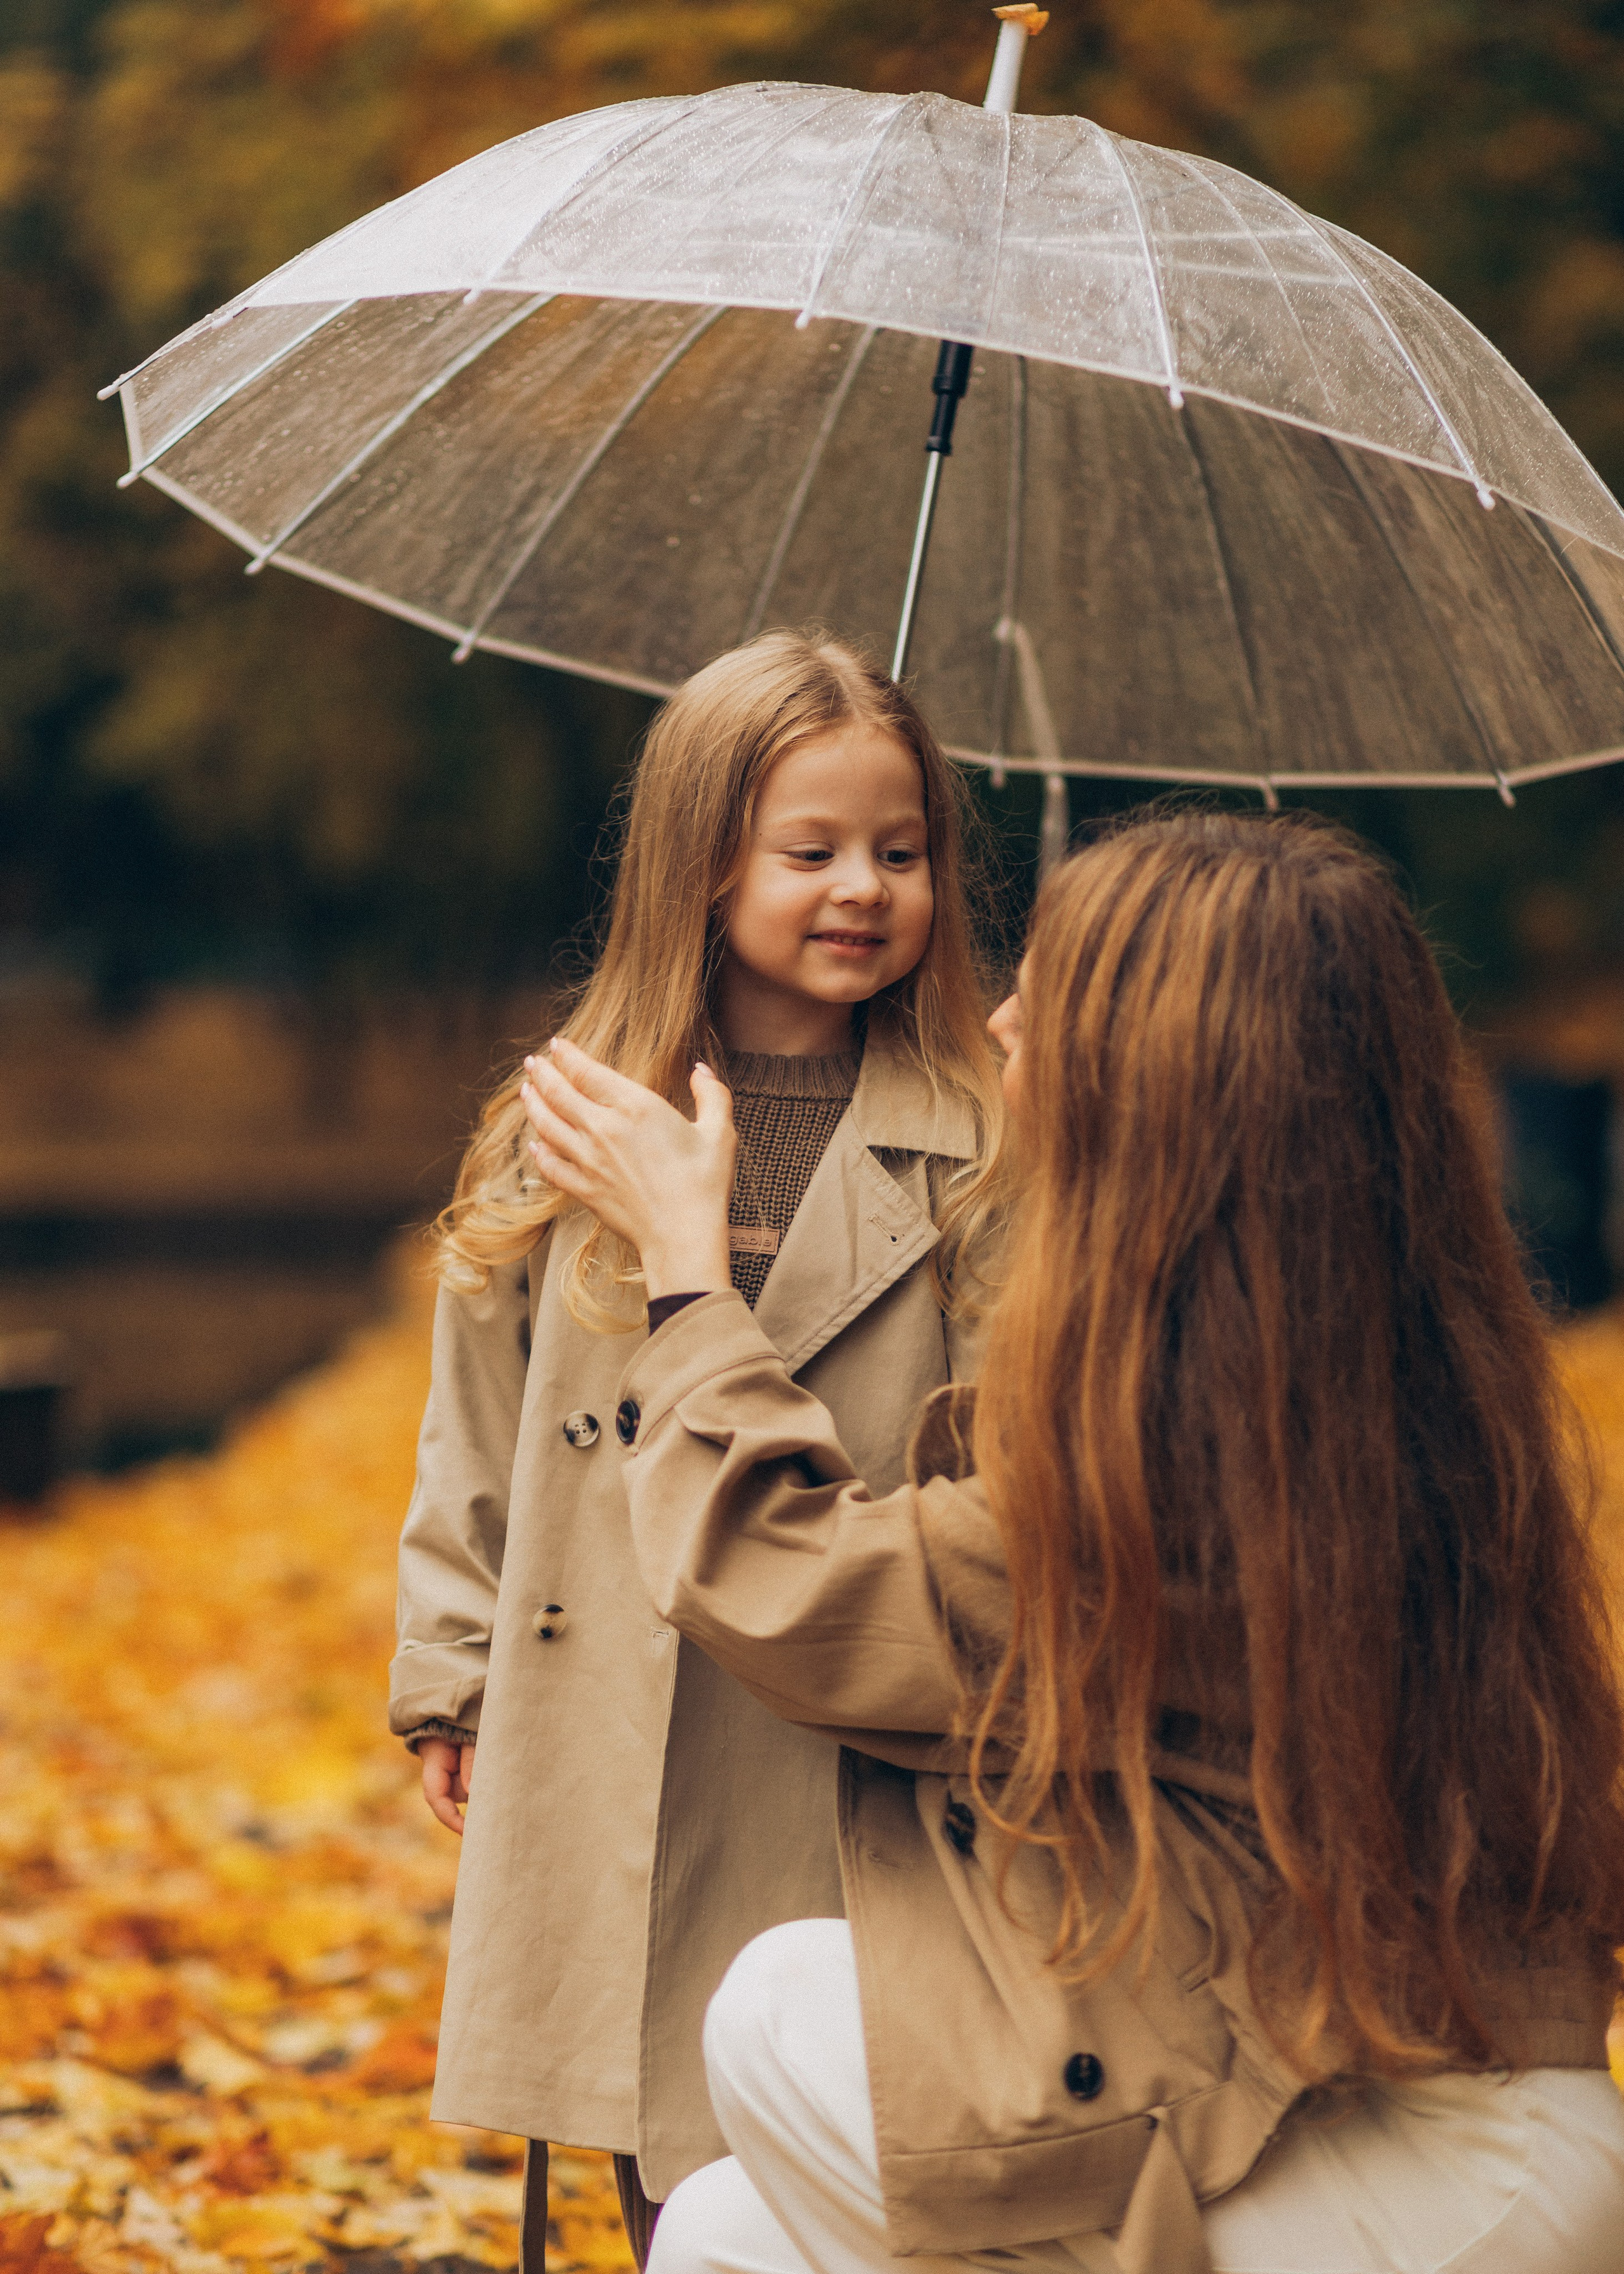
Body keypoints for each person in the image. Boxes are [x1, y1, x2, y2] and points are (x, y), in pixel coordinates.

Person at [522, 810, 1624, 2274]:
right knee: (729, 2235)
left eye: (1040, 1008)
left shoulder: (1170, 1457)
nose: (991, 1023)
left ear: (1148, 1084)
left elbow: (789, 1584)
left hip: (1438, 2186)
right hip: (1393, 2103)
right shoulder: (1382, 1373)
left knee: (779, 2004)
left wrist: (687, 1272)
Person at [388, 631, 1005, 2266]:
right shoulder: (571, 1125)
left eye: (903, 848)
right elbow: (480, 1422)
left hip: (836, 1716)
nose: (863, 887)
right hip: (608, 1700)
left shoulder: (979, 1147)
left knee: (808, 2100)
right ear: (700, 861)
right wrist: (449, 1667)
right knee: (647, 2099)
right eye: (811, 850)